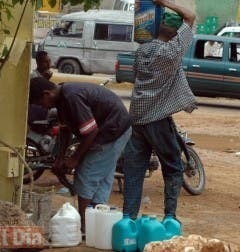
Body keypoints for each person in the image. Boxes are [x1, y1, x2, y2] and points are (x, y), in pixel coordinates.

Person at [123, 0, 197, 220]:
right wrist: (163, 2)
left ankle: (128, 219)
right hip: (156, 118)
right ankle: (170, 218)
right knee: (173, 167)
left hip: (136, 118)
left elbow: (136, 76)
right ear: (175, 32)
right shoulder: (171, 52)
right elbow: (190, 16)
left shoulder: (142, 51)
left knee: (134, 172)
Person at [29, 77, 132, 234]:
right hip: (115, 128)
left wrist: (75, 159)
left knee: (86, 174)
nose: (42, 107)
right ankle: (97, 222)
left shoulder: (71, 97)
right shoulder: (62, 97)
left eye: (40, 103)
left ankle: (85, 227)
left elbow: (91, 131)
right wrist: (60, 158)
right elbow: (65, 130)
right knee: (101, 176)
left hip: (113, 129)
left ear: (46, 94)